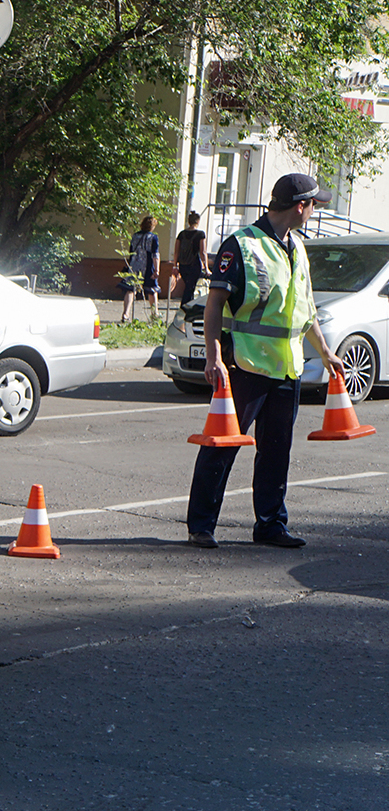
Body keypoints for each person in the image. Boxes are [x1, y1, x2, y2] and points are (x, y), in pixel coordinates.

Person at [185, 173, 344, 549]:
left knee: (276, 450)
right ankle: (201, 525)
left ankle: (271, 524)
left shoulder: (297, 248)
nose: (314, 211)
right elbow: (215, 304)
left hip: (287, 368)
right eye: (313, 205)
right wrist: (214, 357)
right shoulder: (241, 245)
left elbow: (305, 312)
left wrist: (326, 353)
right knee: (223, 446)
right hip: (246, 366)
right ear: (300, 206)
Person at [121, 215, 161, 322]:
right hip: (148, 266)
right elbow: (155, 255)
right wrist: (157, 270)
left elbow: (131, 251)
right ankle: (154, 314)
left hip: (134, 265)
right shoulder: (153, 237)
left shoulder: (135, 236)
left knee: (130, 290)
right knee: (152, 290)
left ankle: (126, 314)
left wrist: (130, 264)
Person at [172, 211, 208, 304]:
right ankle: (185, 307)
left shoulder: (181, 234)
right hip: (194, 264)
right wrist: (206, 268)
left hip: (183, 265)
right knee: (190, 287)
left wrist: (175, 266)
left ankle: (188, 307)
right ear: (198, 221)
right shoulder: (200, 234)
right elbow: (203, 252)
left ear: (188, 221)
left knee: (189, 286)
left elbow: (176, 251)